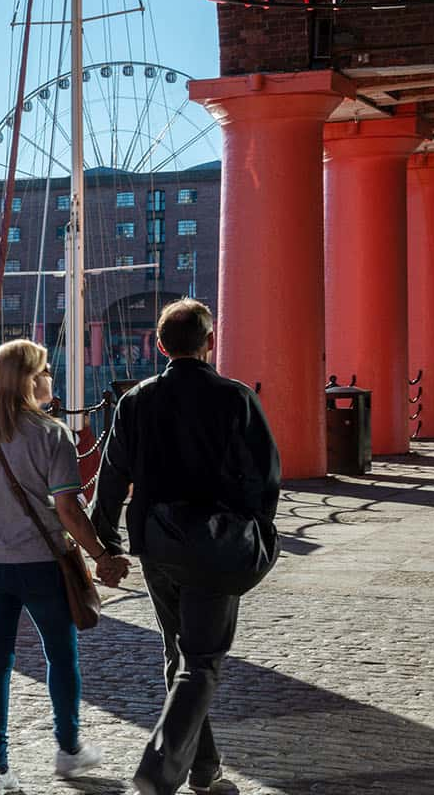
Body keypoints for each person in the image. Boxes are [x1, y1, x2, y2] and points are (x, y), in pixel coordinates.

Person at [90, 298, 280, 795]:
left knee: (181, 655)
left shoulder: (136, 401)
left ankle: (205, 769)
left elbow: (111, 478)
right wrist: (257, 531)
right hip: (218, 544)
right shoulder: (235, 399)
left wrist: (105, 544)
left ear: (159, 345)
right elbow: (265, 479)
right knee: (201, 660)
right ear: (210, 341)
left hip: (156, 544)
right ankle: (156, 776)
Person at [0, 339, 129, 794]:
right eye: (45, 371)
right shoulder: (52, 434)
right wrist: (103, 556)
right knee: (60, 655)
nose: (51, 378)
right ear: (29, 380)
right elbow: (68, 509)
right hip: (42, 564)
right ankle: (68, 750)